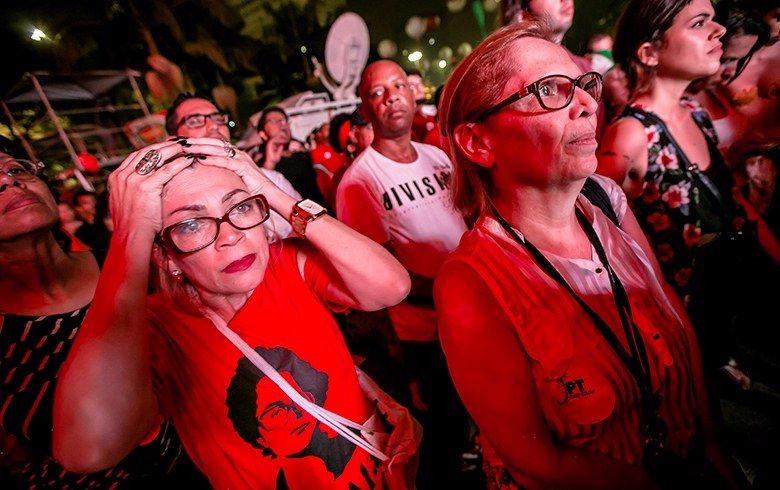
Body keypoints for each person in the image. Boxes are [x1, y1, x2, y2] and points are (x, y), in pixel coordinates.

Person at [436, 19, 748, 490]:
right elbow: (534, 457)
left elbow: (671, 316)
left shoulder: (606, 198)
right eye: (549, 91)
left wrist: (712, 446)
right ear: (479, 143)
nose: (586, 104)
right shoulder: (472, 282)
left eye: (584, 85)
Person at [52, 137, 415, 489]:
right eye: (191, 224)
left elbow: (391, 287)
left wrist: (269, 190)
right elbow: (86, 449)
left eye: (240, 206)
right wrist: (130, 236)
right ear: (165, 255)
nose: (230, 236)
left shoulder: (287, 263)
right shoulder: (154, 329)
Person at [598, 0, 780, 386]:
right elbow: (596, 238)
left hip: (715, 314)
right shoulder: (631, 136)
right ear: (649, 52)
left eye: (714, 20)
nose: (719, 31)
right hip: (673, 334)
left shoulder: (693, 112)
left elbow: (732, 200)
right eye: (700, 23)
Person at [0, 136, 189, 487]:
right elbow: (109, 432)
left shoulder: (127, 261)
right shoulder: (8, 346)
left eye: (16, 169)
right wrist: (133, 231)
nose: (8, 180)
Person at [336, 60, 470, 489]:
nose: (392, 95)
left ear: (414, 94)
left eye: (399, 85)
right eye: (378, 92)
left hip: (477, 315)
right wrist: (462, 290)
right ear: (366, 107)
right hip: (427, 337)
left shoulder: (437, 157)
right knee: (445, 440)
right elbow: (381, 277)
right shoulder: (359, 182)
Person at [166, 92, 301, 238]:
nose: (214, 126)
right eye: (195, 121)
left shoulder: (271, 179)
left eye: (218, 119)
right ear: (174, 139)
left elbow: (312, 233)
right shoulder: (174, 204)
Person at [687, 1, 765, 153]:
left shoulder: (719, 91)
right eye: (725, 60)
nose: (731, 71)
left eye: (739, 60)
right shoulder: (675, 103)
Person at [255, 106, 326, 205]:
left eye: (284, 120)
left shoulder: (301, 153)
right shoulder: (259, 165)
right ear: (262, 133)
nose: (283, 124)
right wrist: (269, 165)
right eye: (275, 121)